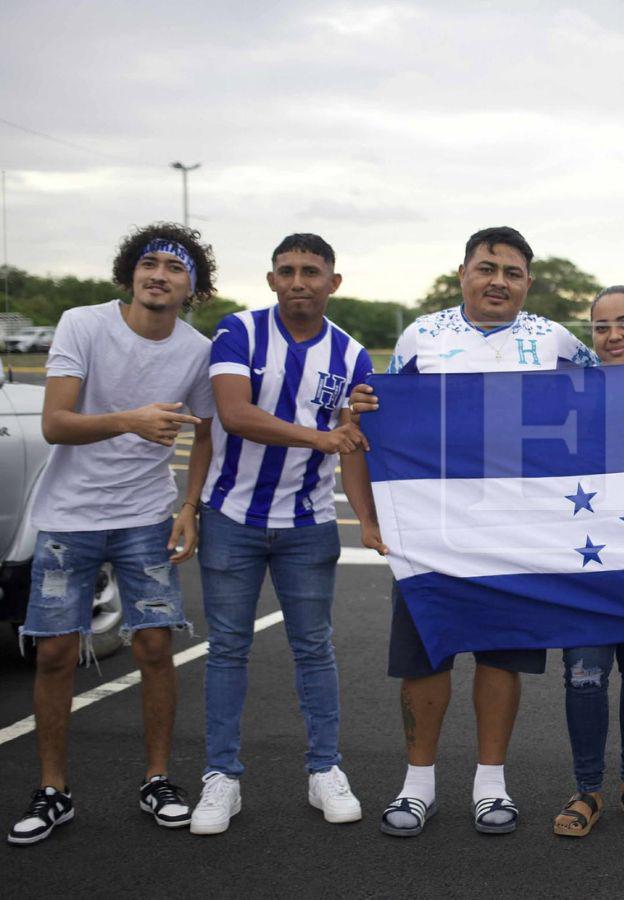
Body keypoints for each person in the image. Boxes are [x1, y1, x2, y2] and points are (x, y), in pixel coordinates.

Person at [345, 226, 598, 837]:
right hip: (431, 528)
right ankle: (417, 785)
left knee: (501, 655)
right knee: (425, 655)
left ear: (528, 282)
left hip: (517, 530)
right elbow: (376, 420)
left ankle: (491, 784)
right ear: (463, 274)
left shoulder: (555, 340)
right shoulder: (421, 336)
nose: (498, 282)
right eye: (486, 268)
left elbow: (610, 401)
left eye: (512, 272)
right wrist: (369, 511)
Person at [8, 223, 217, 845]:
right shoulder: (83, 323)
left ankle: (158, 780)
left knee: (154, 646)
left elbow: (207, 433)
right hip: (68, 516)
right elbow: (55, 424)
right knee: (54, 653)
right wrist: (131, 420)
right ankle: (53, 790)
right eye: (149, 264)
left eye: (175, 268)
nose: (159, 275)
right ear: (130, 272)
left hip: (145, 516)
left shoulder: (196, 350)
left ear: (192, 288)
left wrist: (190, 506)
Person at [188, 234, 376, 836]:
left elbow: (352, 444)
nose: (299, 281)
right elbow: (235, 414)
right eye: (287, 271)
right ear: (271, 279)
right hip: (232, 517)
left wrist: (367, 519)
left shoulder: (352, 354)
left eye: (311, 272)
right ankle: (222, 775)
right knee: (228, 649)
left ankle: (325, 768)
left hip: (308, 523)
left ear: (333, 283)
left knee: (315, 648)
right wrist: (321, 437)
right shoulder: (238, 330)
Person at [552, 286, 624, 838]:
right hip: (585, 559)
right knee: (584, 676)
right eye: (601, 327)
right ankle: (588, 789)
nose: (614, 335)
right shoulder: (567, 394)